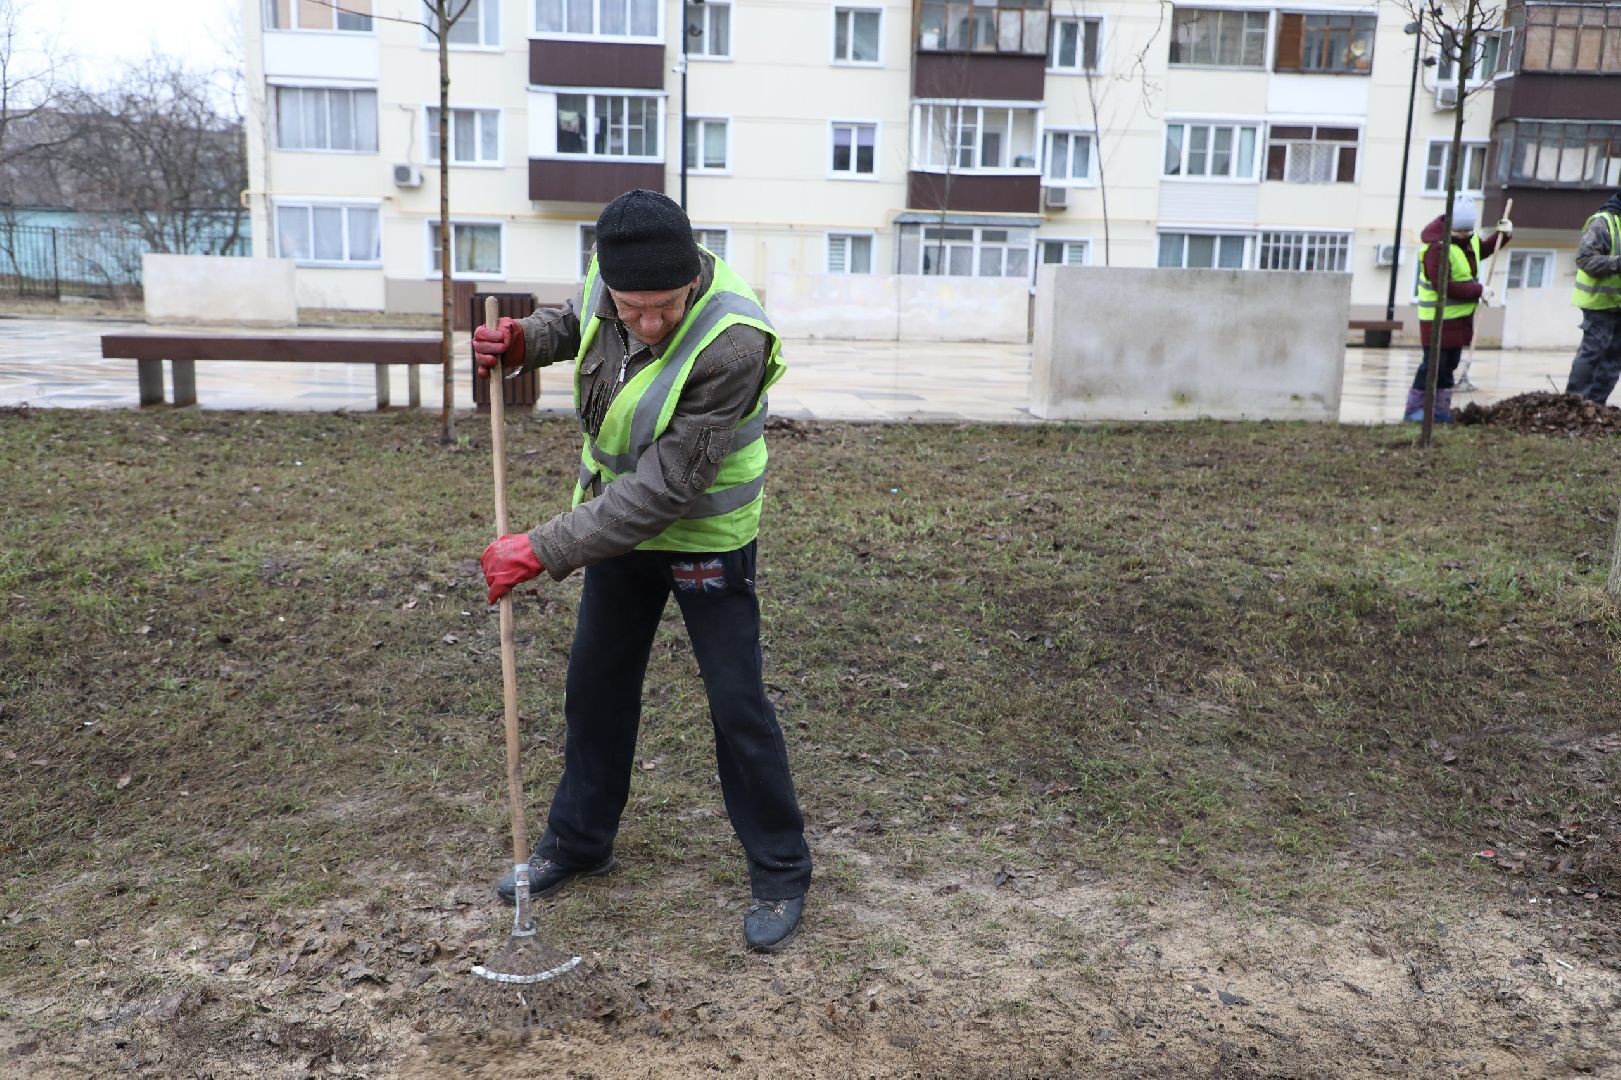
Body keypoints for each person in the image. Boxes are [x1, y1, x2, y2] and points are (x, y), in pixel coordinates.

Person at [470, 189, 811, 953]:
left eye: (664, 307)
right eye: (632, 307)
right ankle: (580, 841)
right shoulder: (609, 286)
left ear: (692, 275)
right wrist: (524, 339)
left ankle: (782, 870)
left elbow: (665, 488)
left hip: (703, 535)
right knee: (595, 685)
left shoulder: (732, 341)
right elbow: (577, 323)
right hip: (616, 531)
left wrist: (541, 547)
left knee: (735, 703)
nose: (647, 322)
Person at [1407, 195, 1511, 422]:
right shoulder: (1437, 248)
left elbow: (1481, 251)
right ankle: (1416, 412)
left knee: (1449, 365)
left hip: (1460, 317)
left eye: (1468, 232)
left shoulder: (1468, 240)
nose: (1465, 237)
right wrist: (1478, 291)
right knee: (1433, 365)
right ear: (1449, 226)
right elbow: (1443, 286)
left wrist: (1502, 236)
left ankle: (1440, 412)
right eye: (1460, 232)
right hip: (1436, 319)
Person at [1564, 190, 1621, 404]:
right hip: (1599, 303)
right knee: (1592, 353)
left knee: (1613, 360)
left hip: (1618, 305)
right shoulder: (1603, 222)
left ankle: (1596, 407)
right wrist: (1618, 263)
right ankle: (1574, 404)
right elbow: (1585, 260)